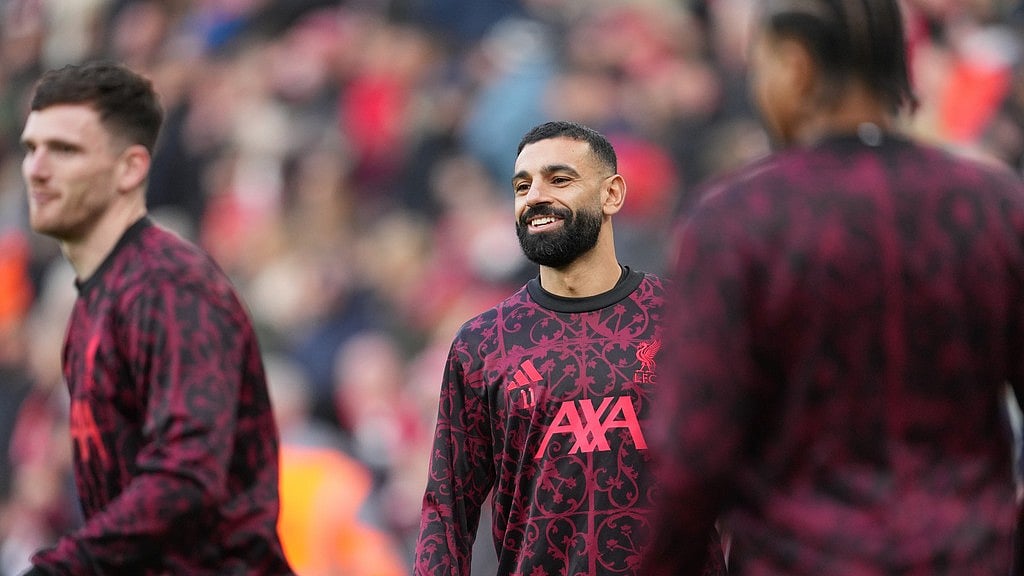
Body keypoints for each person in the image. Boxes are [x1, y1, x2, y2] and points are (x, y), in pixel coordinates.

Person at [644, 0, 1024, 574]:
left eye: (761, 64)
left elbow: (694, 454)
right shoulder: (993, 206)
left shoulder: (737, 221)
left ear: (795, 64)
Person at [18, 61, 294, 575]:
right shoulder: (95, 302)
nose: (36, 169)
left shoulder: (168, 287)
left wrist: (63, 567)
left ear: (130, 169)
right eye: (31, 148)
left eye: (65, 150)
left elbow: (188, 474)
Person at [413, 120, 725, 575]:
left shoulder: (687, 318)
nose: (535, 196)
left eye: (559, 179)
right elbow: (446, 510)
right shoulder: (482, 344)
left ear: (611, 194)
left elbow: (757, 473)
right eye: (523, 186)